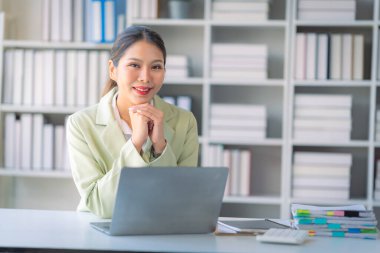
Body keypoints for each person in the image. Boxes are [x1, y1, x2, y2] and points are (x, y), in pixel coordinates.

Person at [66, 25, 199, 218]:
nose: (145, 77)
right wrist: (135, 143)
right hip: (99, 232)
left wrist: (160, 147)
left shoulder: (184, 121)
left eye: (156, 67)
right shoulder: (80, 124)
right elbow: (100, 205)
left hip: (163, 231)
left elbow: (181, 200)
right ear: (113, 70)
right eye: (134, 65)